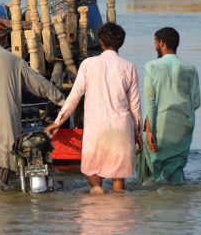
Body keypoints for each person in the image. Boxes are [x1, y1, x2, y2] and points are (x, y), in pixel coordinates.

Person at [0, 20, 65, 190]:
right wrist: (63, 101)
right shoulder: (15, 60)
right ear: (5, 40)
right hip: (4, 122)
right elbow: (41, 85)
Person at [45, 23, 142, 193]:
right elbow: (135, 106)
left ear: (101, 43)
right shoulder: (129, 67)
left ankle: (96, 203)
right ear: (121, 43)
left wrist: (58, 122)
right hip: (121, 127)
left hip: (96, 127)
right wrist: (138, 134)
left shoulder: (89, 64)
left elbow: (74, 96)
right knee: (118, 179)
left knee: (94, 174)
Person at [135, 27, 201, 186]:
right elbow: (196, 102)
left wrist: (150, 131)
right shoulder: (190, 68)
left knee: (153, 169)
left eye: (155, 43)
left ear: (162, 43)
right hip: (184, 125)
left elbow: (150, 101)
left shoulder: (151, 66)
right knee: (176, 167)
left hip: (161, 124)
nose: (155, 46)